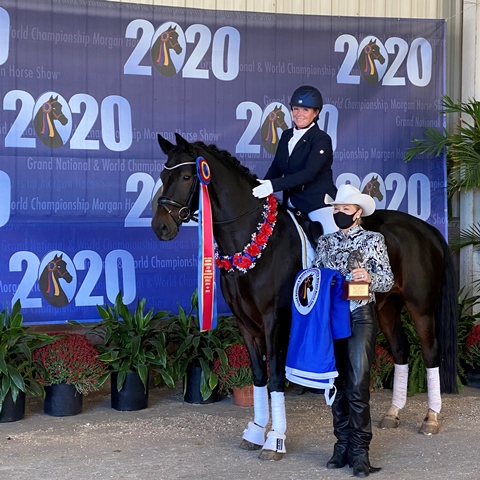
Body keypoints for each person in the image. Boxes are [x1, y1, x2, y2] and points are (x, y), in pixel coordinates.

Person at [314, 184, 394, 478]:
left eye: (344, 209)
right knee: (336, 385)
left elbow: (387, 280)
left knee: (358, 383)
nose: (338, 213)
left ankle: (361, 451)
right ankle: (342, 445)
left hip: (360, 315)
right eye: (335, 209)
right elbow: (315, 275)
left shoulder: (374, 240)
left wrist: (369, 276)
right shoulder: (324, 242)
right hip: (332, 318)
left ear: (358, 212)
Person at [252, 85, 338, 234]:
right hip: (290, 204)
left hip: (316, 204)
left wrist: (273, 186)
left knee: (332, 240)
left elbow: (309, 173)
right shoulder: (286, 135)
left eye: (306, 110)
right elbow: (276, 168)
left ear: (316, 112)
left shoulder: (321, 139)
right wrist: (258, 187)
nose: (299, 114)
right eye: (296, 109)